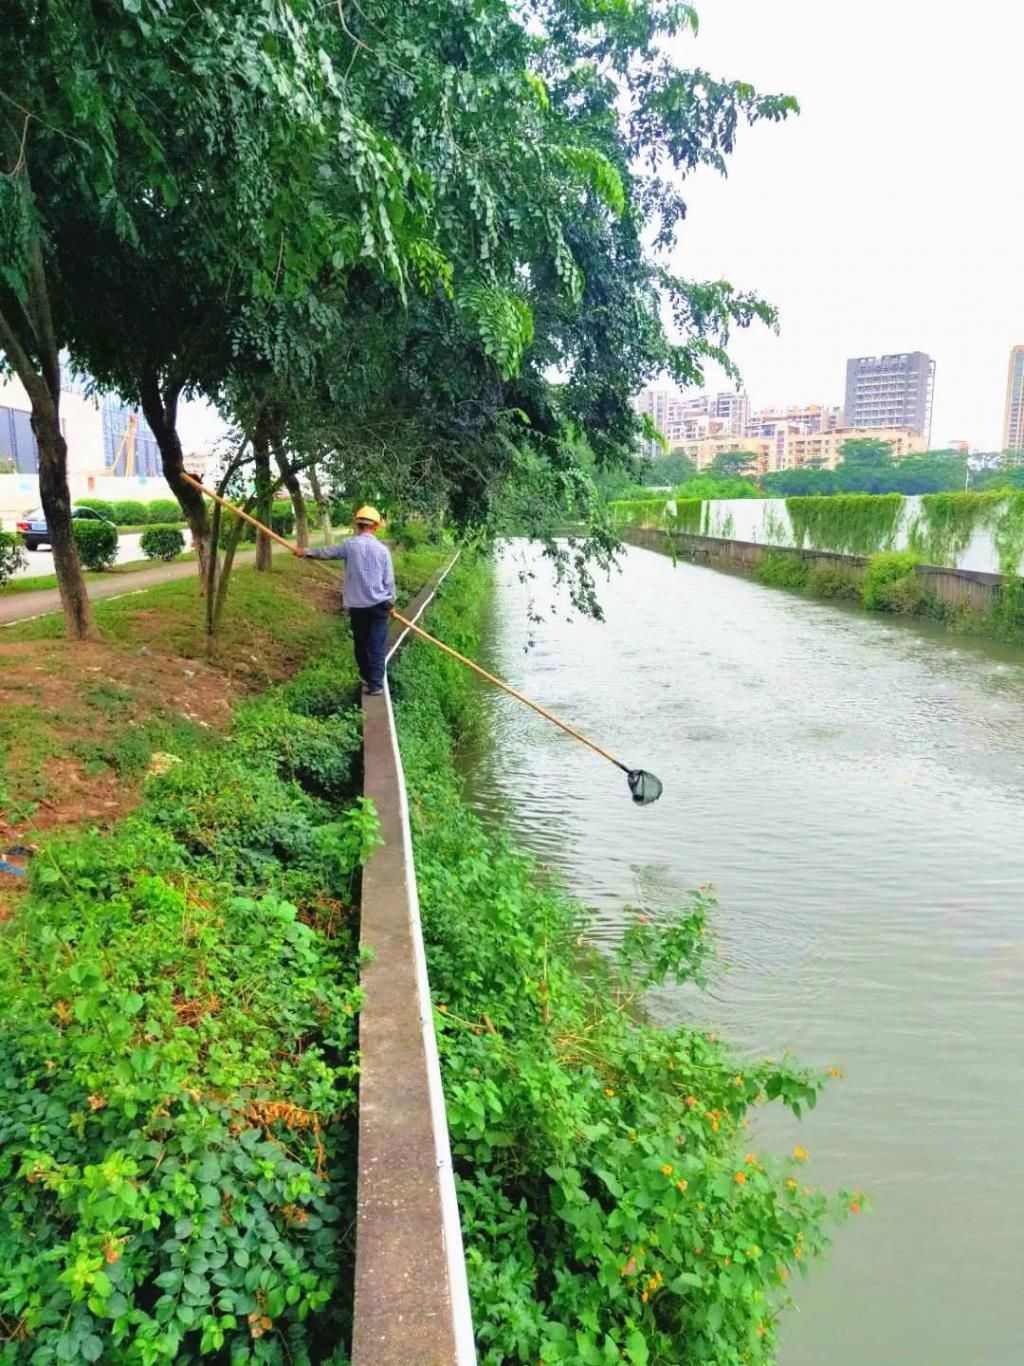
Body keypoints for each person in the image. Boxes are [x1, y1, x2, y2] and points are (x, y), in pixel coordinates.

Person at [297, 505, 395, 695]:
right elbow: (389, 581)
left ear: (357, 524)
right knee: (377, 644)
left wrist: (305, 552)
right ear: (375, 527)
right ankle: (375, 685)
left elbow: (326, 552)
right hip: (379, 606)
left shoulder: (349, 545)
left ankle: (367, 678)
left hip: (357, 607)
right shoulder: (383, 551)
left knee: (361, 643)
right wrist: (391, 604)